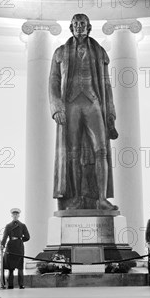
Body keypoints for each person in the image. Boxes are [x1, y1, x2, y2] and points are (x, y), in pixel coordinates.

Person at [49, 14, 119, 211]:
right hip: (70, 104)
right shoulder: (60, 52)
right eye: (76, 24)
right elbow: (53, 81)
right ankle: (77, 197)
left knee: (101, 150)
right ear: (71, 27)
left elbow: (106, 84)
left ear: (88, 27)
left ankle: (102, 198)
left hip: (93, 102)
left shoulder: (99, 52)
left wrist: (111, 115)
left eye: (83, 24)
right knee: (73, 152)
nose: (79, 26)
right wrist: (56, 108)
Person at [0, 208, 30, 289]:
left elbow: (27, 237)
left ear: (19, 215)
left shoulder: (23, 226)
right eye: (14, 214)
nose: (15, 216)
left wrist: (20, 240)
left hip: (19, 247)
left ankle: (21, 284)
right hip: (11, 247)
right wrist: (2, 245)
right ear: (12, 215)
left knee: (20, 267)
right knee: (11, 268)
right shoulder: (8, 226)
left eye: (17, 214)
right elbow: (5, 236)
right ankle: (10, 285)